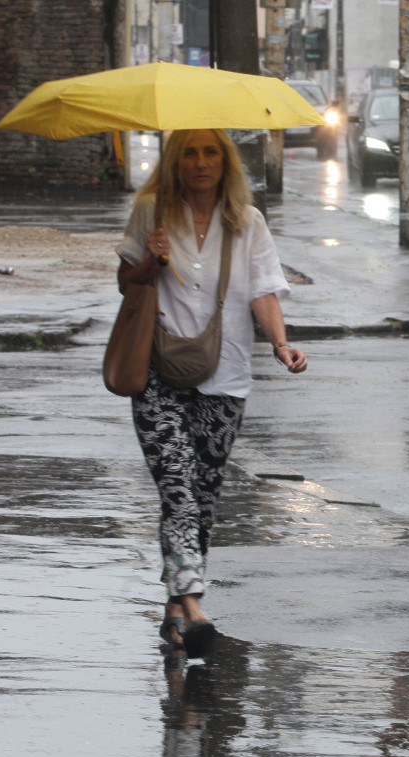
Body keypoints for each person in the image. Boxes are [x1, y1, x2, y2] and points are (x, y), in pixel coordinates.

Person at [115, 128, 307, 658]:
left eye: (211, 152)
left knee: (201, 495)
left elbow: (264, 290)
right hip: (156, 372)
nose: (201, 162)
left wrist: (281, 344)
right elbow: (125, 279)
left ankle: (175, 612)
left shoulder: (247, 222)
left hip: (227, 374)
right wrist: (150, 262)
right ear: (176, 161)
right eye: (191, 153)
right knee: (177, 484)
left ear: (226, 162)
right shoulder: (153, 212)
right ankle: (194, 602)